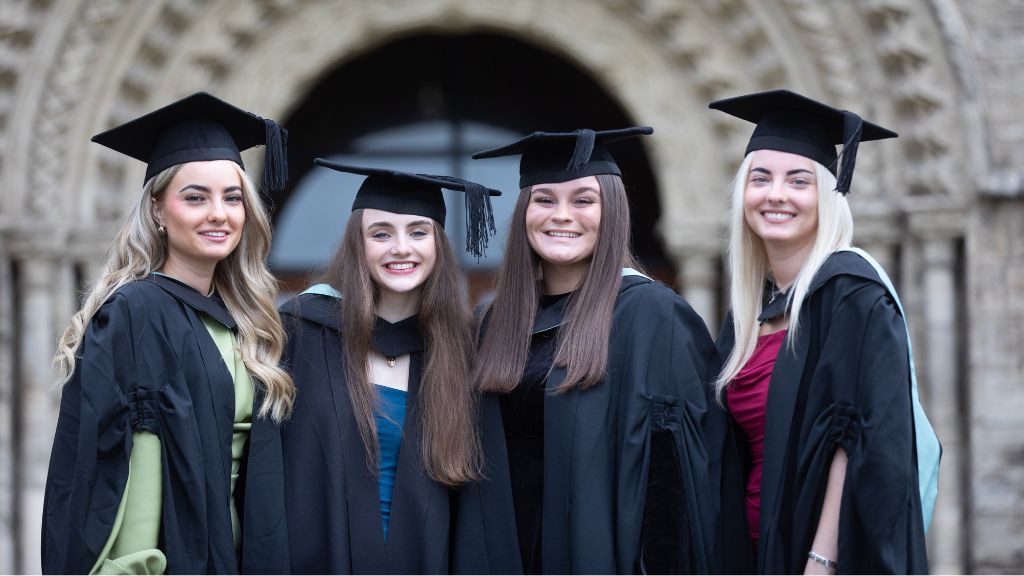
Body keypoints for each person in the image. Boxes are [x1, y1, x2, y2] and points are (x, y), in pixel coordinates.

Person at [41, 92, 294, 574]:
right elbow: (119, 464)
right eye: (195, 197)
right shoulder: (136, 314)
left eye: (233, 197)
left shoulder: (246, 319)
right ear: (158, 209)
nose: (218, 213)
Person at [452, 128, 722, 574]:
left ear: (610, 211)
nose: (561, 216)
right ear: (524, 212)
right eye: (544, 200)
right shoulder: (494, 321)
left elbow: (673, 487)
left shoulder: (651, 316)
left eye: (582, 200)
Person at [709, 89, 936, 574]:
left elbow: (857, 435)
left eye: (799, 181)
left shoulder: (851, 293)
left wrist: (822, 559)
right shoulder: (748, 312)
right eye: (760, 178)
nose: (776, 195)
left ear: (828, 195)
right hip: (748, 554)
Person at [268, 160, 500, 573]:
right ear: (359, 244)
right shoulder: (304, 333)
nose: (401, 248)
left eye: (418, 232)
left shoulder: (463, 350)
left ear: (437, 245)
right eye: (381, 234)